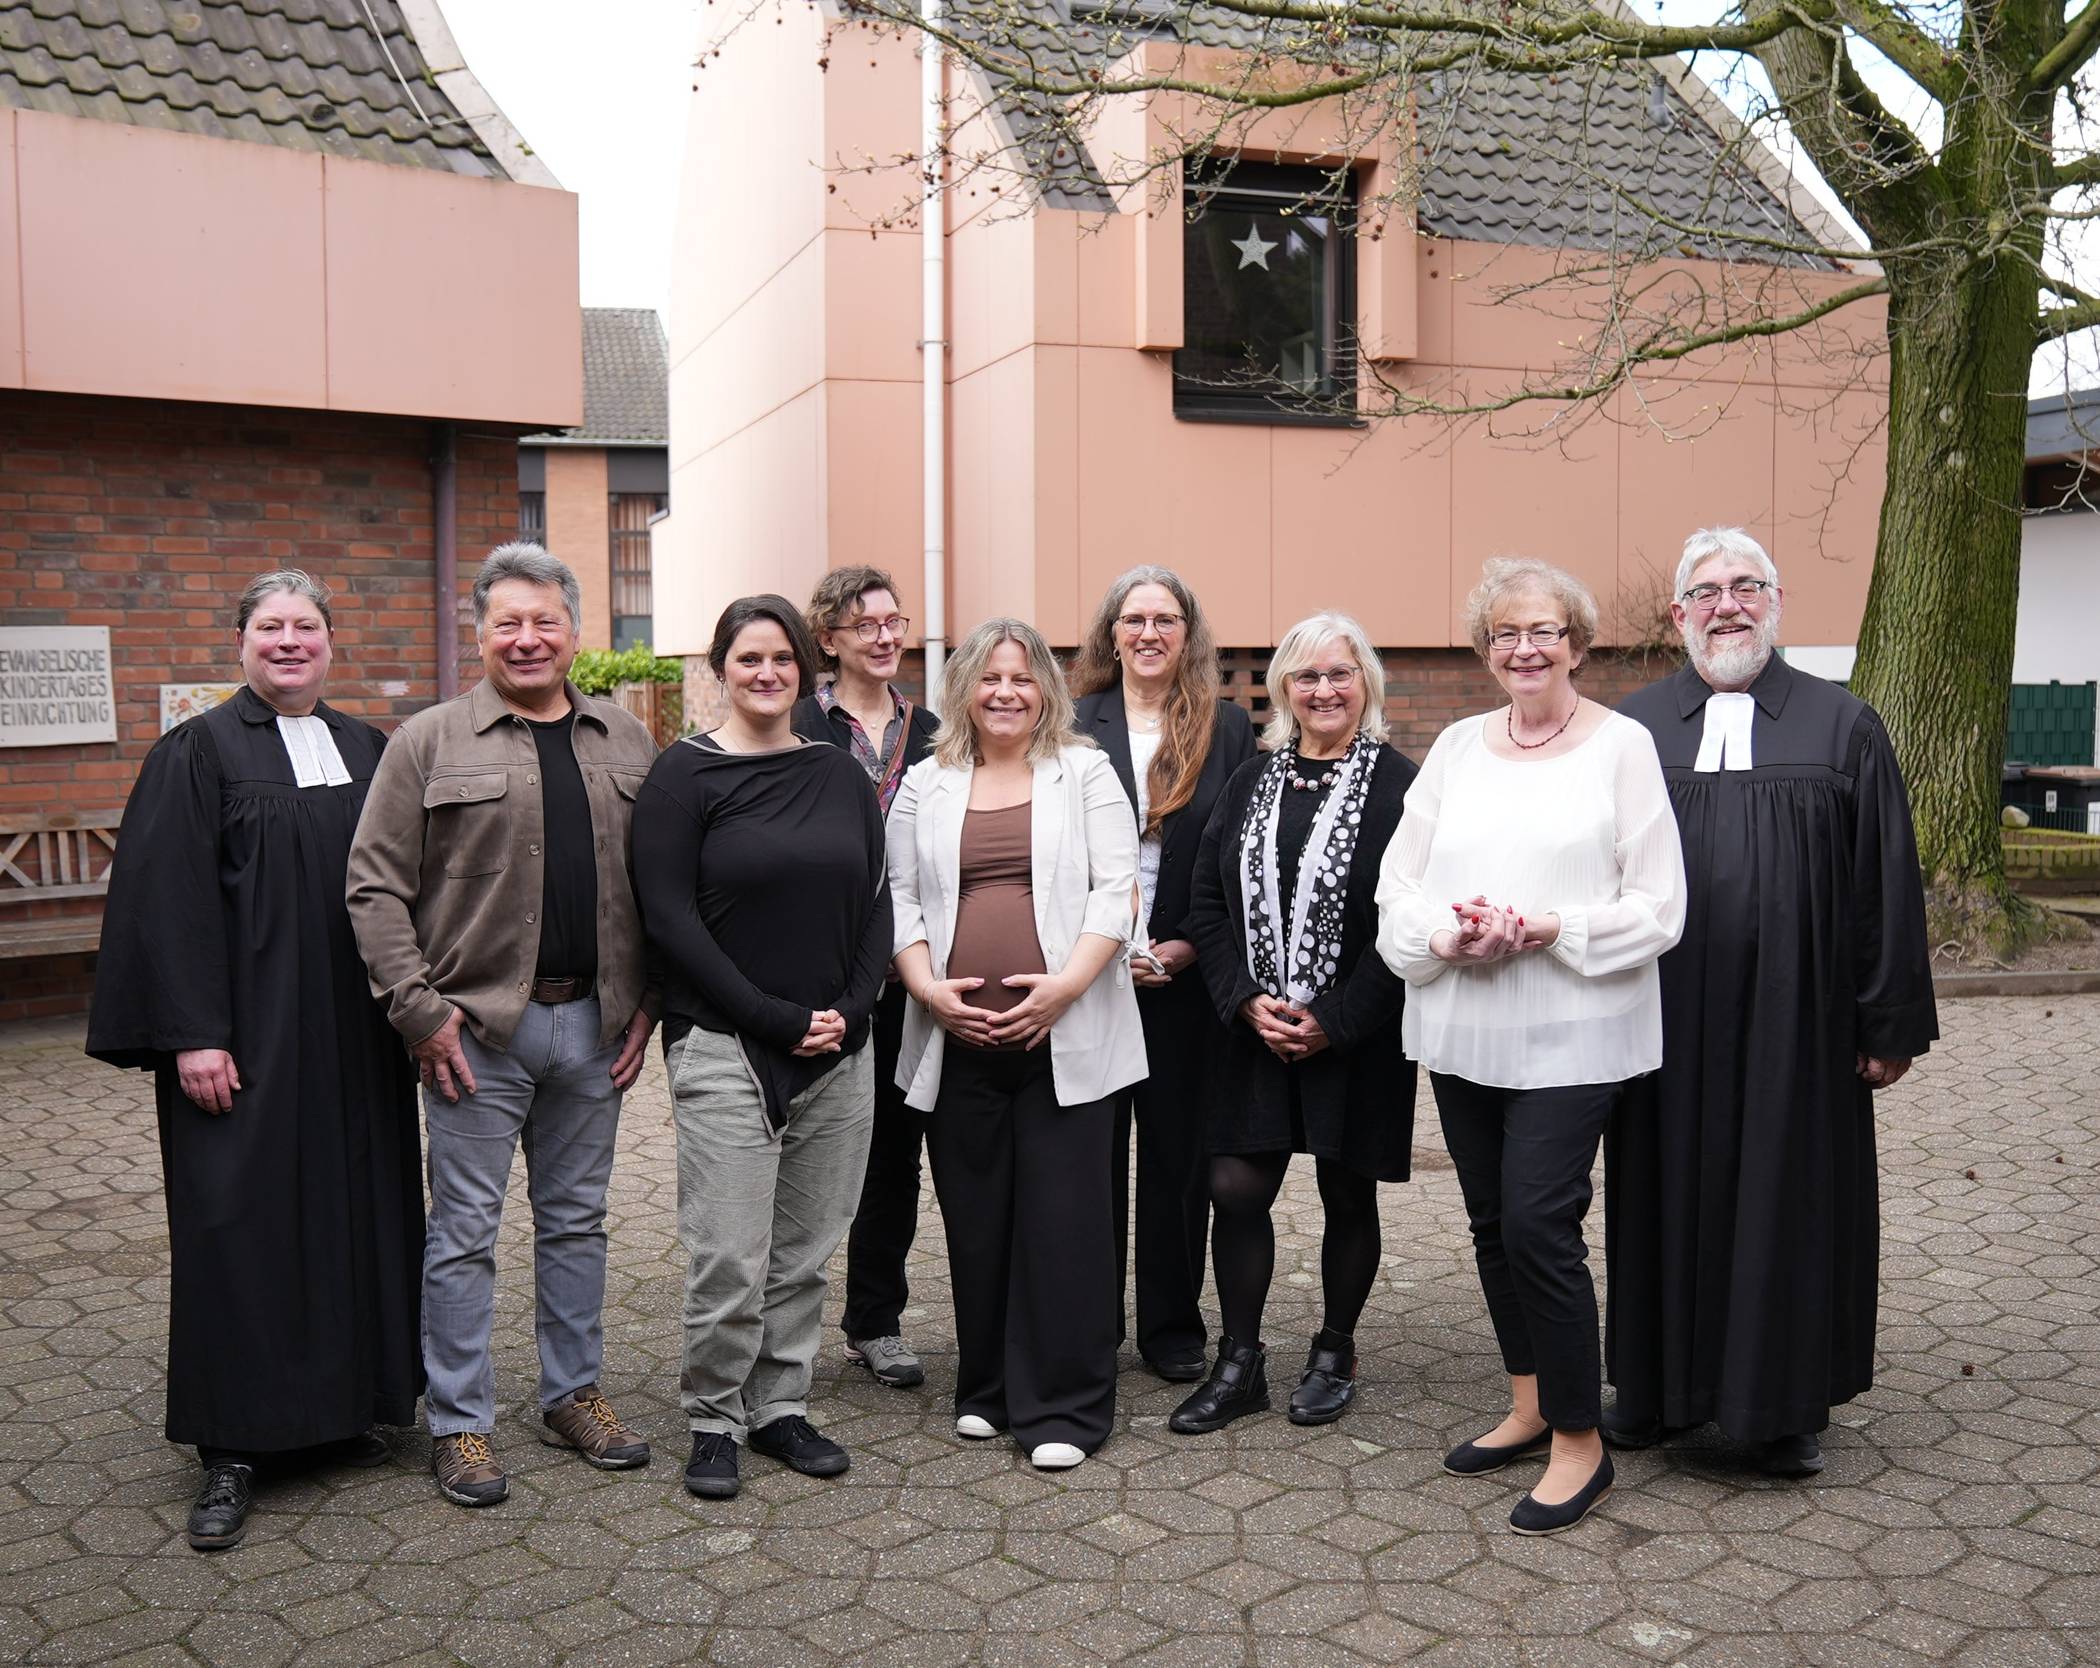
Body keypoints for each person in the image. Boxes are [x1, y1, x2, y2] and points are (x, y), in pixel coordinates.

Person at [85, 571, 423, 1553]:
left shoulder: (368, 750)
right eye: (270, 628)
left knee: (357, 1211)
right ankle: (235, 1444)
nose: (288, 643)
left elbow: (410, 886)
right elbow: (167, 902)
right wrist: (193, 1031)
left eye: (305, 628)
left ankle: (348, 1408)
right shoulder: (196, 754)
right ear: (240, 643)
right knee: (241, 1226)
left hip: (356, 1044)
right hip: (243, 1043)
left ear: (331, 643)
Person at [1608, 527, 1937, 1476]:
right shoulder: (1631, 730)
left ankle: (1781, 1407)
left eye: (1746, 586)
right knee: (1658, 1192)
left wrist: (1887, 1023)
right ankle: (1654, 1391)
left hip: (1800, 1024)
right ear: (1678, 616)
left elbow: (1885, 885)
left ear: (1776, 602)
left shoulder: (1844, 727)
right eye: (1705, 591)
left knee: (1786, 1199)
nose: (1727, 605)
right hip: (1660, 1019)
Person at [1375, 558, 1685, 1536]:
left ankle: (1581, 1443)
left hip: (1576, 1034)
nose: (1525, 648)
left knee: (1540, 1223)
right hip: (1464, 1028)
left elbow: (1661, 905)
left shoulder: (1623, 747)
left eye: (1544, 630)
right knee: (1488, 1222)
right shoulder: (1459, 750)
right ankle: (1530, 1400)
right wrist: (1443, 937)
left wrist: (1552, 926)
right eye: (1506, 634)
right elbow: (1401, 888)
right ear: (1486, 650)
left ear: (1577, 645)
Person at [347, 543, 659, 1509]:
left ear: (575, 631)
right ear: (479, 633)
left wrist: (646, 1002)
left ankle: (571, 1395)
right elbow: (373, 886)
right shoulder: (429, 742)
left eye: (545, 621)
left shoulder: (627, 741)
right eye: (507, 623)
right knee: (466, 1234)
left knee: (576, 1225)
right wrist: (419, 1013)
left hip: (596, 1029)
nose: (527, 639)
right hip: (475, 1036)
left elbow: (659, 886)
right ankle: (462, 1424)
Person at [634, 595, 891, 1501]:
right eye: (749, 659)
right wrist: (775, 1017)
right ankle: (713, 1416)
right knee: (729, 1253)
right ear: (720, 668)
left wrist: (856, 1011)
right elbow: (668, 923)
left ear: (804, 670)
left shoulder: (838, 775)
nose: (768, 673)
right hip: (724, 1045)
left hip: (838, 1049)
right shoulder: (682, 778)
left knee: (806, 1247)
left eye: (783, 658)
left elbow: (877, 901)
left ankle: (779, 1405)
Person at [886, 618, 1146, 1471]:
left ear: (1047, 690)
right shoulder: (928, 781)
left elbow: (1119, 890)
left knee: (1064, 1222)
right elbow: (899, 898)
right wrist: (928, 991)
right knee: (978, 1220)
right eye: (989, 678)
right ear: (964, 689)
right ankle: (990, 1390)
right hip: (957, 1039)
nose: (1005, 692)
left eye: (1023, 678)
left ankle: (1066, 1405)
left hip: (1070, 1036)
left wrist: (1063, 990)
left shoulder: (1086, 771)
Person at [1177, 613, 1418, 1434]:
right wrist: (1245, 999)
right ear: (1284, 688)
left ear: (1366, 685)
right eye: (1306, 677)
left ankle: (1334, 1351)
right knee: (1234, 1187)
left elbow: (1408, 921)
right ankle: (1239, 1361)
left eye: (1339, 675)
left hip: (1354, 1029)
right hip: (1254, 1028)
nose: (1324, 690)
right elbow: (1208, 901)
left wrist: (1335, 1019)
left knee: (1347, 1191)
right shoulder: (1251, 781)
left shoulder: (1402, 786)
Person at [1072, 566, 1257, 1383]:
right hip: (1092, 978)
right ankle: (1091, 1321)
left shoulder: (1225, 726)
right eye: (1135, 618)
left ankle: (1174, 1327)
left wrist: (1188, 943)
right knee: (1092, 1155)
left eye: (1167, 620)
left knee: (1181, 1160)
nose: (1150, 633)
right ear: (1111, 633)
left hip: (1186, 977)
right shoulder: (1073, 724)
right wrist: (1103, 949)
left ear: (1189, 634)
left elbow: (1236, 857)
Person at [790, 566, 940, 1393]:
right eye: (865, 624)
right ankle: (780, 1329)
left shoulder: (935, 733)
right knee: (807, 1156)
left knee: (894, 1156)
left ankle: (875, 1322)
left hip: (906, 980)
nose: (885, 636)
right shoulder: (798, 724)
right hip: (815, 976)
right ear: (830, 639)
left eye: (894, 621)